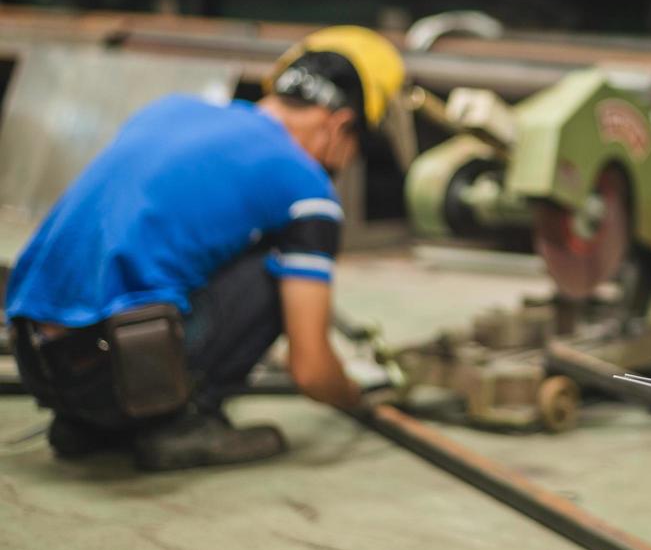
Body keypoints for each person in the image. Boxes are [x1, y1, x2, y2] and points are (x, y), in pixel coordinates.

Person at [5, 26, 406, 471]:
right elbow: (309, 370)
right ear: (341, 123)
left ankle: (91, 425)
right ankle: (176, 424)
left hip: (38, 361)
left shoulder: (172, 112)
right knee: (277, 269)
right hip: (114, 374)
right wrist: (355, 397)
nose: (343, 162)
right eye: (354, 147)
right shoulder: (306, 186)